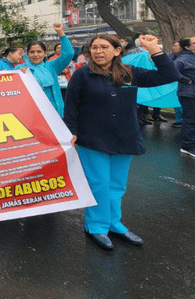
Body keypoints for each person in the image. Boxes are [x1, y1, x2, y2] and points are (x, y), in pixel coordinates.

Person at [64, 34, 179, 251]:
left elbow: (170, 75)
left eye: (104, 47)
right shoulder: (82, 75)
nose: (98, 51)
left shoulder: (130, 73)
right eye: (94, 48)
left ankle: (114, 223)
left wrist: (154, 49)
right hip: (93, 138)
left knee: (117, 185)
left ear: (117, 50)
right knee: (99, 182)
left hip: (125, 136)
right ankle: (96, 226)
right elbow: (71, 105)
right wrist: (71, 131)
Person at [15, 23, 74, 117]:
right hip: (33, 114)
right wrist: (18, 75)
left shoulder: (52, 66)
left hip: (55, 112)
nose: (35, 55)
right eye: (32, 52)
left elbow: (68, 54)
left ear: (45, 53)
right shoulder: (20, 69)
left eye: (39, 52)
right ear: (27, 54)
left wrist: (61, 34)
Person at [174, 36, 195, 158]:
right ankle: (188, 146)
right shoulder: (182, 59)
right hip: (191, 95)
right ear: (187, 47)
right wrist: (185, 80)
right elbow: (172, 72)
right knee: (192, 121)